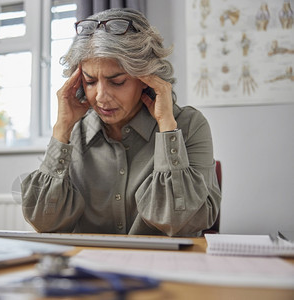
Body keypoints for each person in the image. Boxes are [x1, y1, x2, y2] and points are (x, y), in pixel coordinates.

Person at [20, 8, 221, 237]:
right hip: (89, 267)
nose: (101, 97)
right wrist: (61, 129)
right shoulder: (74, 132)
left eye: (117, 81)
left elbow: (179, 222)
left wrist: (167, 129)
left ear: (146, 77)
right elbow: (45, 223)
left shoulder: (189, 125)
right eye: (90, 81)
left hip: (162, 266)